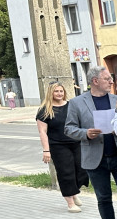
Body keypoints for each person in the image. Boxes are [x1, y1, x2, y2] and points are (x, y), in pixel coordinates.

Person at [65, 66, 117, 219]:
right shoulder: (76, 103)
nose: (111, 82)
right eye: (107, 79)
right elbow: (68, 128)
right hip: (95, 159)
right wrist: (85, 133)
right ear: (95, 81)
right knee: (103, 199)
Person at [36, 82, 87, 212]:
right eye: (56, 91)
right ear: (50, 93)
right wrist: (46, 150)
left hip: (76, 143)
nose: (59, 94)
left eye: (61, 91)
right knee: (66, 173)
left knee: (81, 170)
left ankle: (74, 192)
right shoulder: (45, 110)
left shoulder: (71, 106)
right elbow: (42, 132)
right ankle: (70, 203)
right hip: (58, 146)